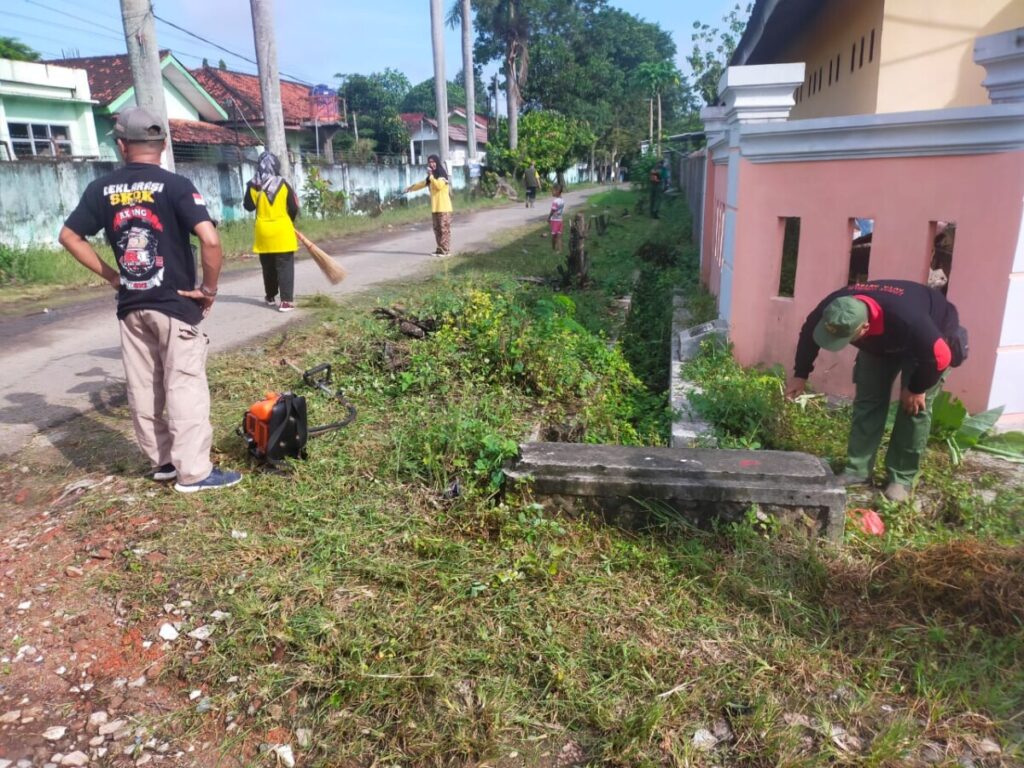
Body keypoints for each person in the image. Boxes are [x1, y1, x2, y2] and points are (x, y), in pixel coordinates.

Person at [58, 107, 241, 493]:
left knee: (143, 386)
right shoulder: (176, 186)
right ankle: (194, 473)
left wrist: (112, 275)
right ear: (162, 145)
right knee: (183, 384)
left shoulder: (100, 189)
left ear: (123, 145)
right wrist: (208, 291)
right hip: (174, 304)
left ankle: (162, 462)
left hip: (131, 305)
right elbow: (210, 239)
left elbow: (70, 236)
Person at [786, 279, 966, 502]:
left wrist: (917, 388)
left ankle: (901, 478)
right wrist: (800, 374)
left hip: (928, 346)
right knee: (868, 401)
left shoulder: (910, 319)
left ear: (865, 327)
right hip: (881, 341)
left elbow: (940, 356)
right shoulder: (835, 307)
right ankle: (857, 470)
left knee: (913, 409)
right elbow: (808, 334)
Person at [244, 151, 300, 312]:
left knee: (268, 266)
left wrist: (252, 189)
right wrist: (289, 221)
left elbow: (248, 207)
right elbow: (294, 207)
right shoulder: (284, 184)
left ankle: (270, 296)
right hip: (282, 230)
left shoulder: (254, 184)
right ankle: (286, 302)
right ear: (276, 165)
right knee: (285, 266)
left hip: (263, 233)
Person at [405, 154, 452, 256]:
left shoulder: (442, 174)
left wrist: (431, 176)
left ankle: (445, 250)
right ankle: (440, 249)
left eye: (433, 162)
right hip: (435, 208)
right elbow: (422, 184)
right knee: (437, 229)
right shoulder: (431, 177)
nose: (431, 164)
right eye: (430, 162)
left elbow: (439, 186)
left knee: (444, 229)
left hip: (444, 207)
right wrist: (410, 188)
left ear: (437, 162)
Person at [548, 185, 565, 253]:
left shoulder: (555, 201)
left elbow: (552, 210)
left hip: (554, 220)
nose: (552, 192)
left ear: (557, 191)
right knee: (559, 236)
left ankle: (553, 248)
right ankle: (560, 250)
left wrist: (549, 218)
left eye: (553, 191)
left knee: (554, 236)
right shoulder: (562, 200)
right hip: (560, 220)